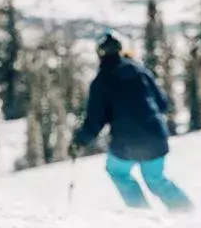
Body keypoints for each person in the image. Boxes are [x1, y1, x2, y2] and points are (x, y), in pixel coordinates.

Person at [69, 30, 192, 212]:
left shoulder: (101, 81)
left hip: (126, 142)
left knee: (117, 171)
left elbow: (95, 121)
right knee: (155, 180)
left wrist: (78, 141)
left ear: (99, 53)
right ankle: (188, 212)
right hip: (155, 136)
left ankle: (142, 213)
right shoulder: (140, 70)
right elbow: (162, 103)